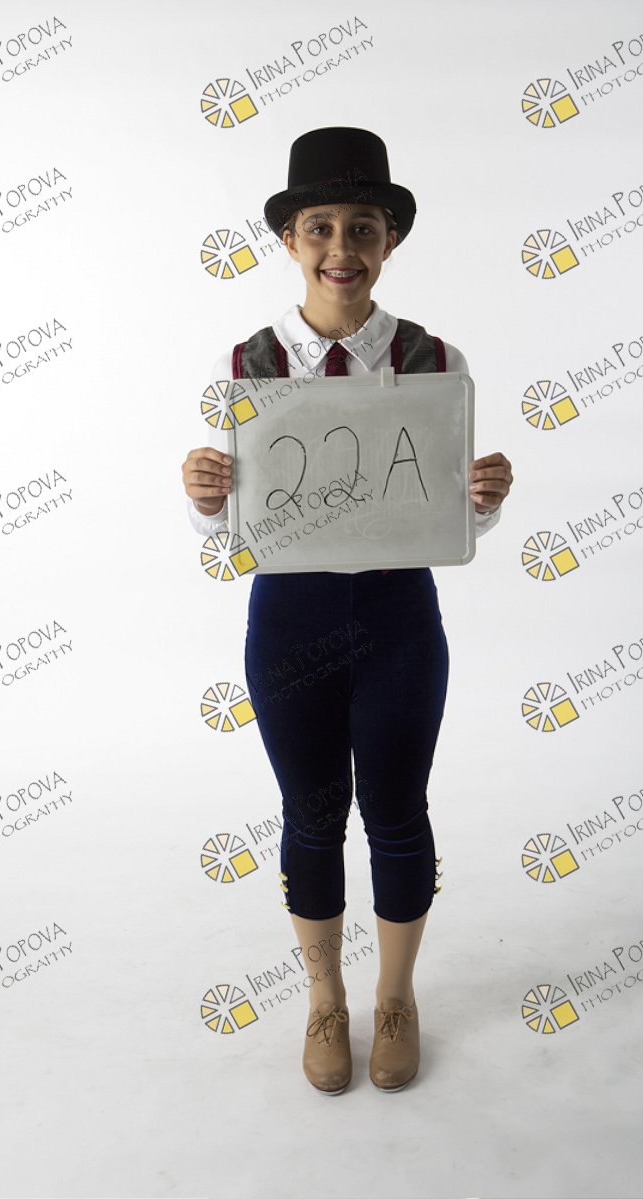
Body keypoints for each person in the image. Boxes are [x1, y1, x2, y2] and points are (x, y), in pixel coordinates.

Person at [181, 127, 513, 1095]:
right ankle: (324, 995)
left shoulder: (431, 357)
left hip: (398, 612)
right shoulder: (248, 360)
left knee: (398, 810)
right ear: (289, 239)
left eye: (362, 227)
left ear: (388, 240)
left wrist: (483, 497)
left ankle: (395, 994)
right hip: (290, 613)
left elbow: (447, 514)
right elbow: (232, 525)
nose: (341, 247)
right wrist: (203, 495)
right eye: (319, 227)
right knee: (311, 811)